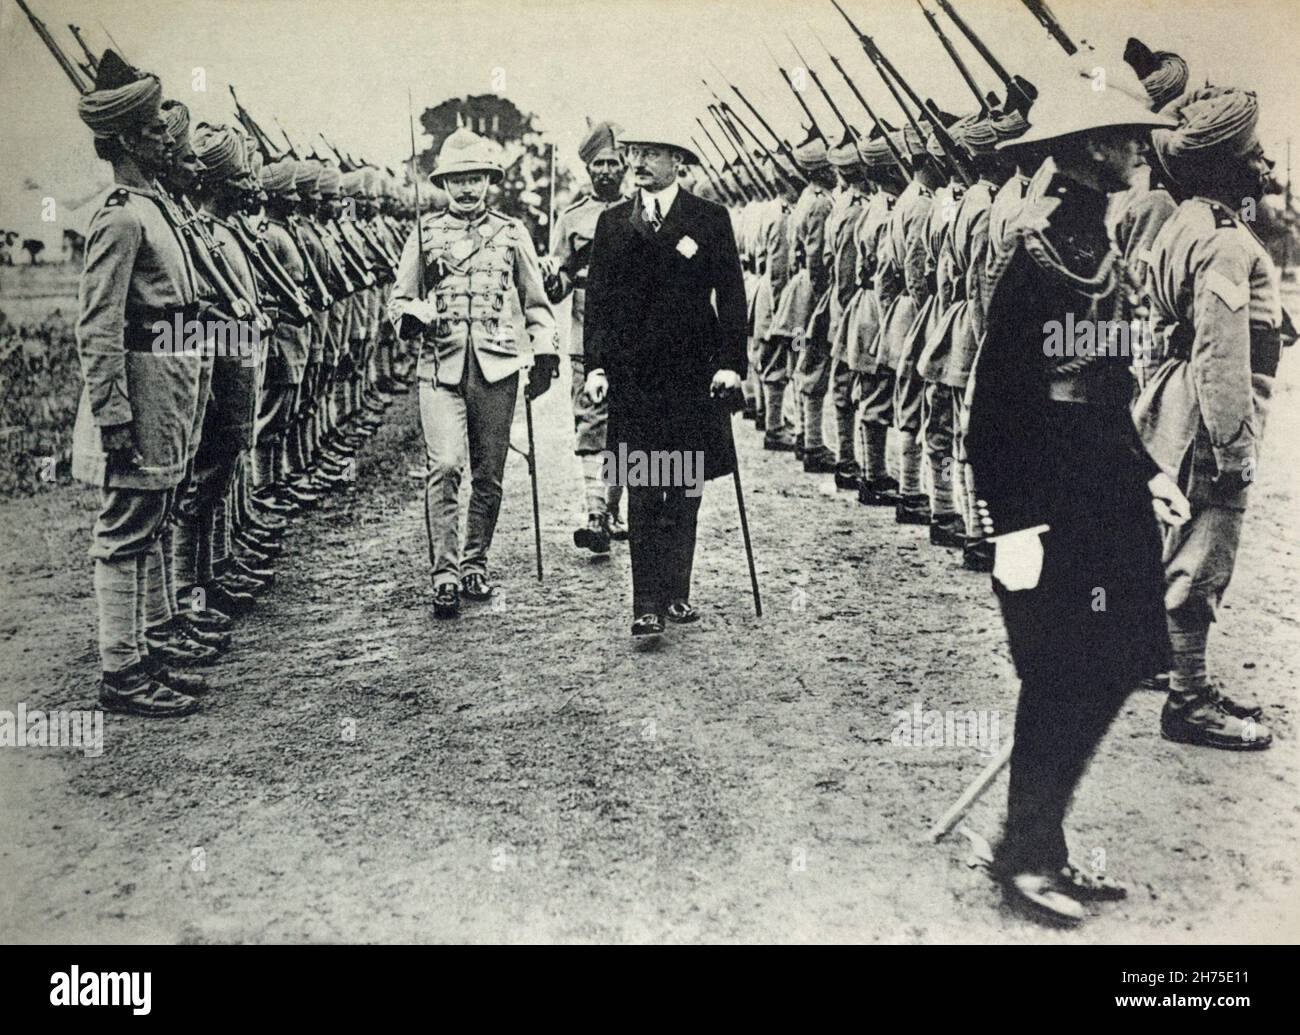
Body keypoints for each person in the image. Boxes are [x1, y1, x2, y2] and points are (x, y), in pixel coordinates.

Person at [965, 71, 1188, 924]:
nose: (1142, 146)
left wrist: (1146, 471)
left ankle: (1035, 841)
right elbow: (996, 407)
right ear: (1094, 147)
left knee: (1112, 662)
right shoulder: (1039, 254)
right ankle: (1026, 854)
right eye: (1128, 134)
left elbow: (1106, 385)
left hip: (1102, 491)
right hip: (1047, 493)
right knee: (1062, 671)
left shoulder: (1099, 243)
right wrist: (1010, 525)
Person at [1134, 87, 1282, 750]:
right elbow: (1221, 354)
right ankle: (1189, 701)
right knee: (1204, 553)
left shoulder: (1187, 221)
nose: (1264, 168)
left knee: (1180, 544)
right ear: (1224, 164)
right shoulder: (1224, 241)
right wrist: (1233, 445)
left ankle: (1181, 676)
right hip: (1208, 416)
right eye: (1252, 157)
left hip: (1174, 403)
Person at [70, 52, 204, 717]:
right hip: (139, 392)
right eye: (152, 127)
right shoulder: (120, 216)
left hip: (169, 384)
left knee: (151, 520)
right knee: (125, 528)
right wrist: (113, 415)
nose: (164, 135)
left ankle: (146, 647)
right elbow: (97, 326)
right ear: (124, 138)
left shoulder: (153, 207)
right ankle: (120, 671)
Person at [581, 125, 747, 641]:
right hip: (636, 377)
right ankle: (646, 602)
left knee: (685, 487)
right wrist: (597, 367)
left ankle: (677, 590)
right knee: (645, 487)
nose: (639, 162)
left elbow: (733, 297)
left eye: (651, 153)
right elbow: (599, 306)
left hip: (694, 375)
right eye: (635, 153)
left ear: (679, 162)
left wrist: (731, 363)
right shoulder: (613, 224)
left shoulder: (709, 218)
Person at [388, 127, 559, 618]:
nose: (467, 189)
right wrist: (414, 313)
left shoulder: (512, 232)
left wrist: (545, 352)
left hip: (497, 366)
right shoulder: (424, 233)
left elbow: (537, 303)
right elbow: (398, 300)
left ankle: (474, 563)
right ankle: (443, 574)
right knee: (444, 465)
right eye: (457, 180)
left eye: (476, 179)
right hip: (439, 366)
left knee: (489, 473)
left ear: (489, 180)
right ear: (444, 183)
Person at [543, 120, 629, 556]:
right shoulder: (572, 219)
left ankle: (612, 510)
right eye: (599, 164)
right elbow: (556, 282)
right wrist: (552, 279)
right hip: (586, 338)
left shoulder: (640, 212)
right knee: (592, 424)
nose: (607, 172)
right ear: (588, 169)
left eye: (614, 163)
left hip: (634, 340)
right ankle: (595, 513)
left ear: (625, 166)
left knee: (627, 427)